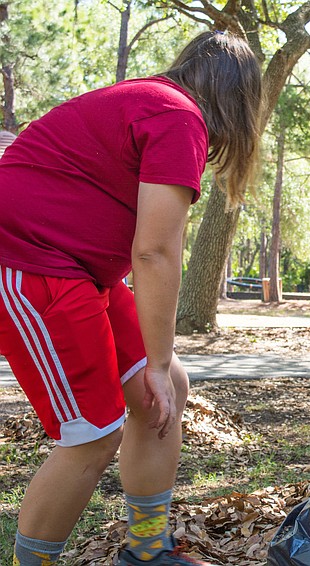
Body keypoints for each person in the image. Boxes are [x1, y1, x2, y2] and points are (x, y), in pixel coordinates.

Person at [0, 31, 262, 566]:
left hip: (77, 270)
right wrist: (158, 361)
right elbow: (155, 253)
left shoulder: (156, 103)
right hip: (27, 263)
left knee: (163, 393)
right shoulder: (178, 117)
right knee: (93, 433)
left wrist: (164, 370)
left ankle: (145, 551)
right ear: (237, 99)